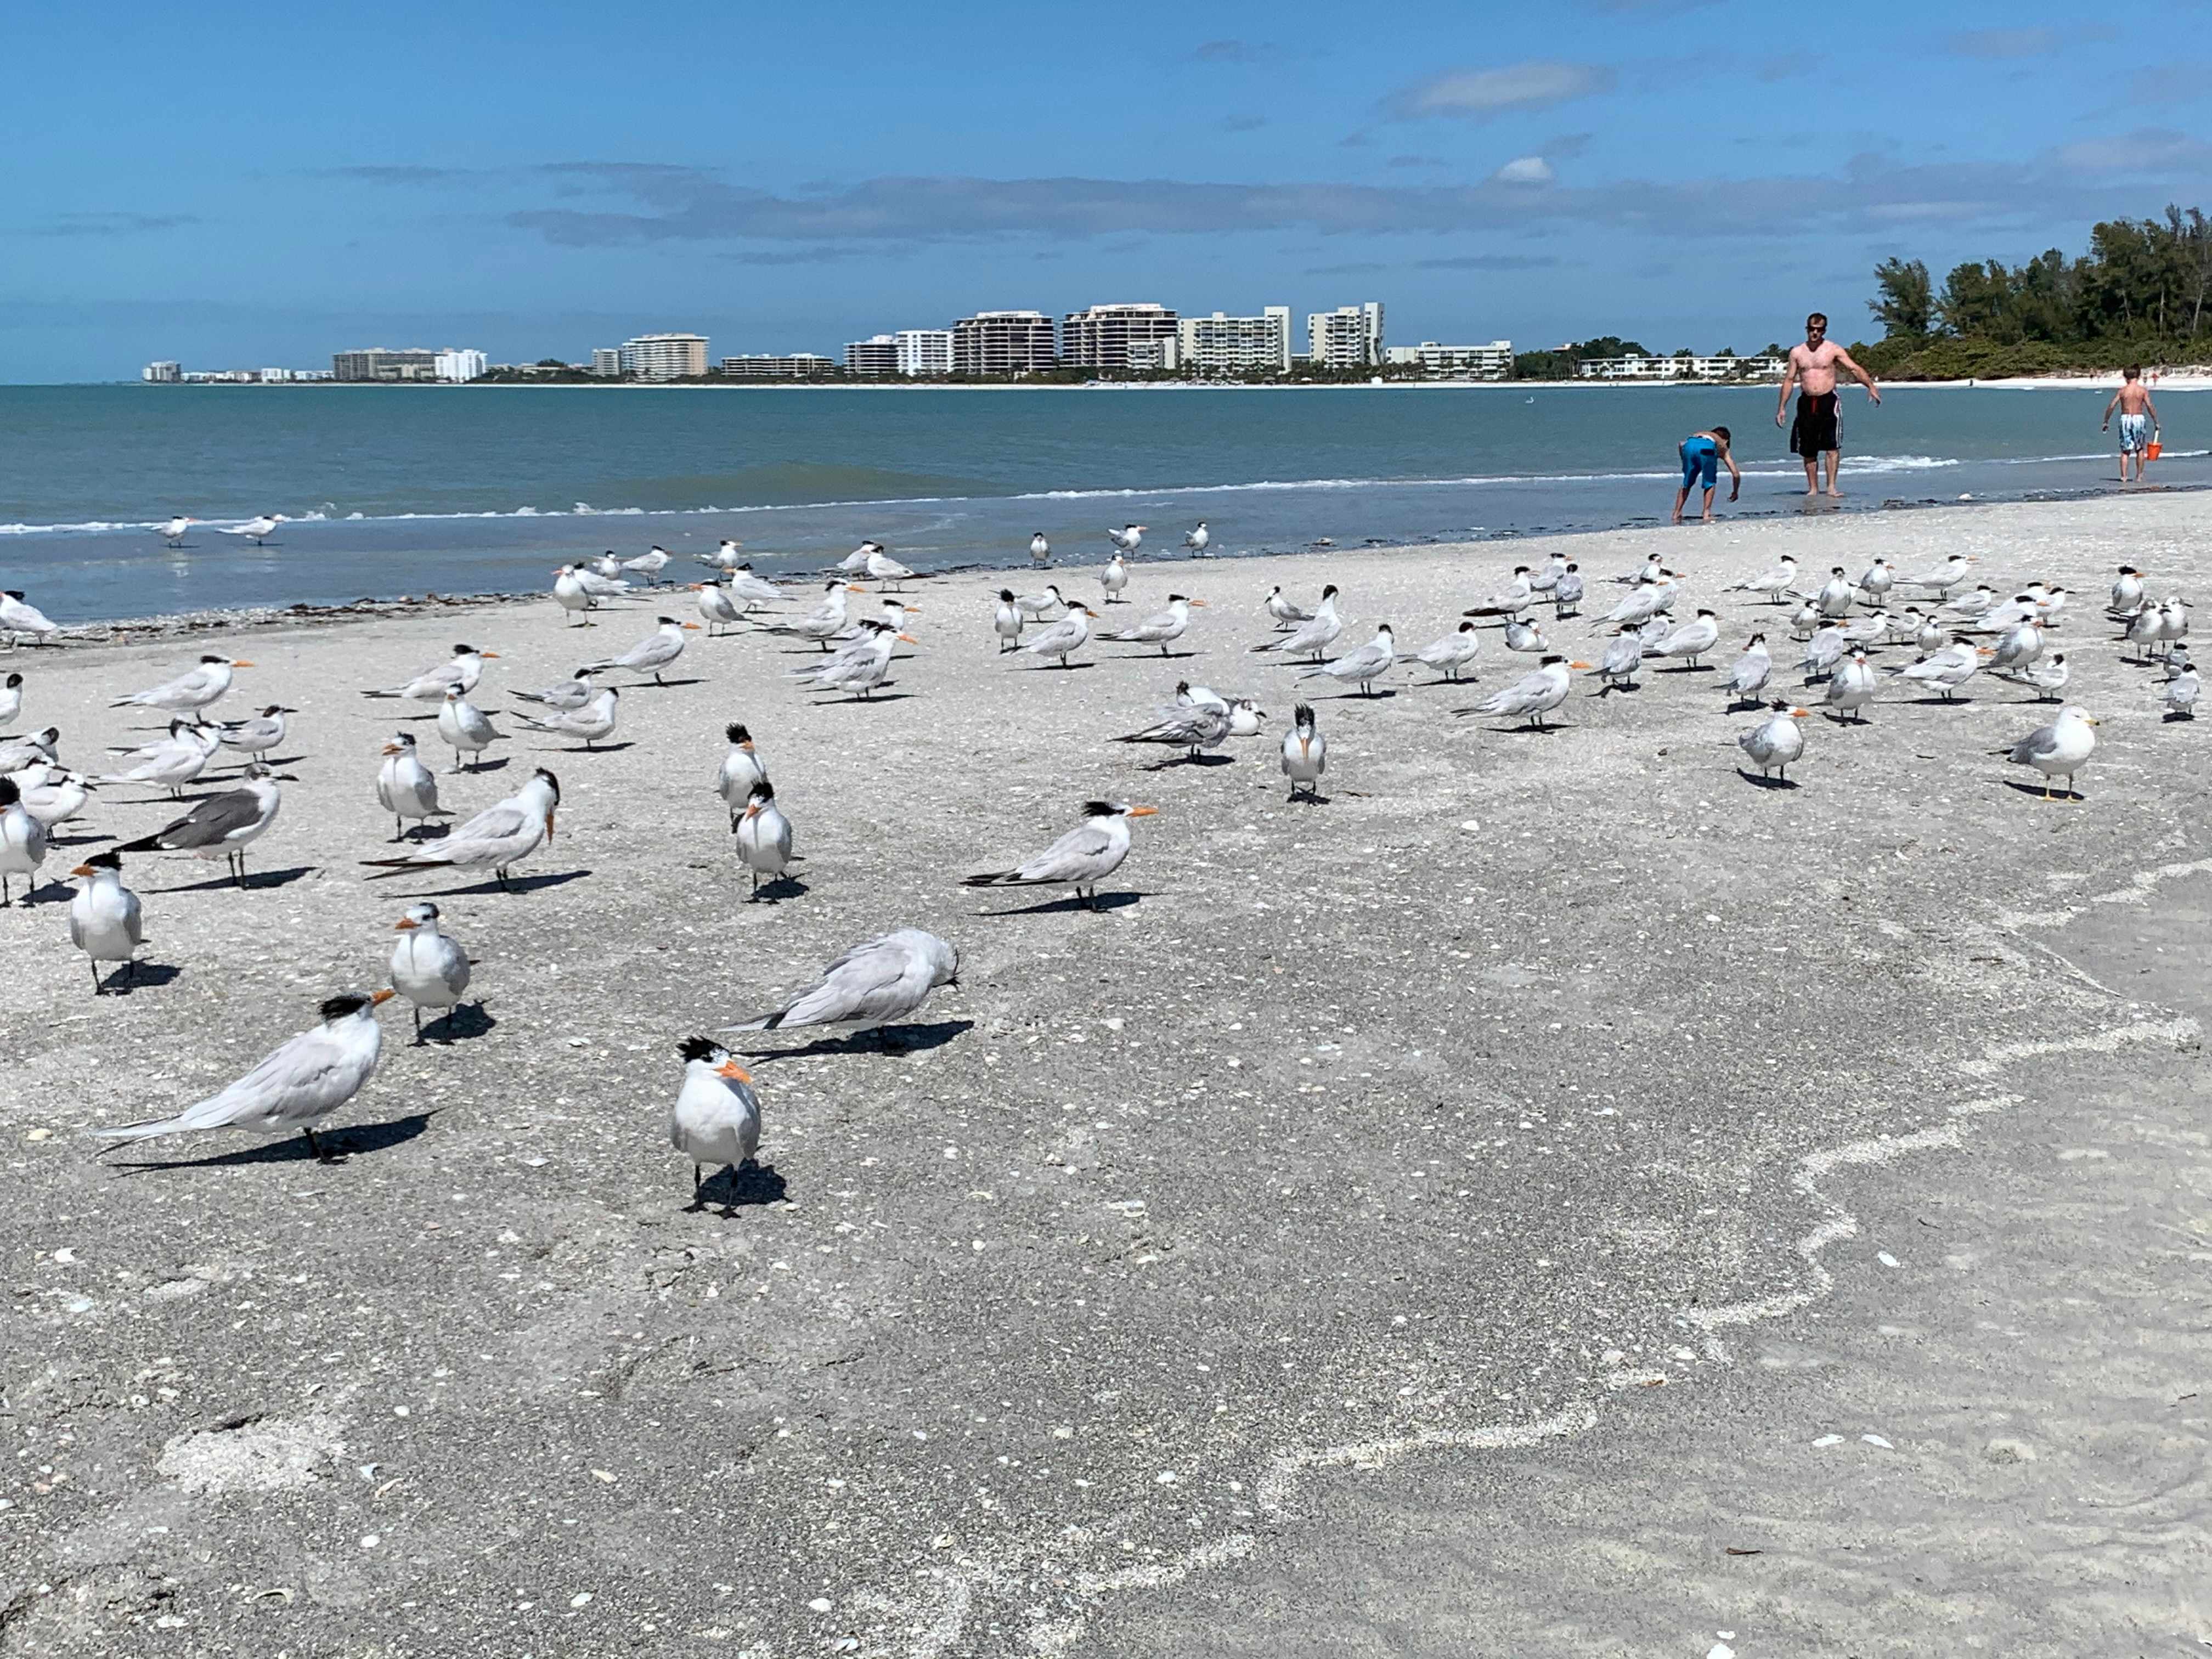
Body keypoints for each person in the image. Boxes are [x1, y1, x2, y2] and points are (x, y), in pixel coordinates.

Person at [1775, 313, 1880, 497]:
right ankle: (1813, 489)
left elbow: (1853, 368)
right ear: (1807, 329)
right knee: (1808, 449)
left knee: (1832, 446)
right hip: (1807, 402)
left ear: (1824, 330)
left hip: (1828, 401)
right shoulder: (1797, 352)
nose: (1815, 333)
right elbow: (1789, 380)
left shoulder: (1833, 349)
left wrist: (1870, 386)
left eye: (1819, 330)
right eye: (1812, 329)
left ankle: (1831, 487)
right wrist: (1782, 407)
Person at [2102, 365, 2160, 483]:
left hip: (2126, 419)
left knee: (2125, 450)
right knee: (2139, 449)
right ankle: (2139, 476)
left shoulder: (2123, 391)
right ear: (2138, 376)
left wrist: (2106, 420)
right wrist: (2156, 421)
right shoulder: (2142, 391)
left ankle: (2124, 477)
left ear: (2125, 377)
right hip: (2139, 418)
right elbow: (2150, 406)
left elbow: (2112, 405)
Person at [1672, 426, 1740, 522]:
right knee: (1710, 482)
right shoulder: (1722, 445)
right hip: (1707, 449)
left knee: (1687, 482)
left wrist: (1685, 461)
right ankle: (1706, 513)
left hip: (1689, 446)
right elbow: (1736, 474)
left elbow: (1681, 444)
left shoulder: (1701, 434)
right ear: (1726, 440)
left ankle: (1676, 513)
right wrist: (1735, 492)